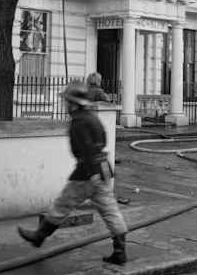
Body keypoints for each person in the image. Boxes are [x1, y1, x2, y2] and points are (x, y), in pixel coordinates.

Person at [18, 82, 128, 265]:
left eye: (67, 101)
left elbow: (87, 148)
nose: (65, 105)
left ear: (74, 103)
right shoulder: (92, 118)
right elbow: (102, 141)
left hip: (87, 172)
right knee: (110, 210)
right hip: (103, 169)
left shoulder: (79, 122)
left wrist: (91, 173)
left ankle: (38, 237)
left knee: (62, 205)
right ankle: (120, 251)